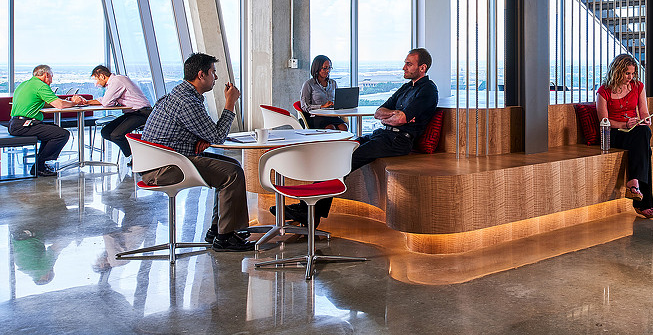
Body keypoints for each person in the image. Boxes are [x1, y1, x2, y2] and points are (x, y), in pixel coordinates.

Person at [281, 48, 438, 228]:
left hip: (399, 141)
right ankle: (309, 209)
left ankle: (309, 210)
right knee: (341, 152)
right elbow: (379, 112)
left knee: (348, 158)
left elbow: (401, 119)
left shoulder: (428, 91)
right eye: (405, 63)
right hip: (384, 134)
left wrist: (398, 116)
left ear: (422, 68)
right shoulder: (406, 87)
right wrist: (394, 115)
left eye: (409, 64)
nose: (404, 67)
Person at [140, 52, 254, 252]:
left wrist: (202, 138)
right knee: (232, 173)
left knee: (233, 165)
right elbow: (218, 136)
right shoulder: (187, 102)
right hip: (165, 168)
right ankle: (225, 237)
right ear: (201, 75)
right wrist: (230, 103)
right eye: (213, 72)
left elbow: (206, 133)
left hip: (162, 161)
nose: (215, 78)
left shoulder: (178, 95)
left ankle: (218, 229)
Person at [596, 53, 653, 219]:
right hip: (615, 132)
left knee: (644, 132)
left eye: (633, 73)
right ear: (617, 72)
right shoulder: (603, 92)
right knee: (645, 151)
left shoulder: (638, 86)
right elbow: (604, 121)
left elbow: (643, 111)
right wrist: (624, 124)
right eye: (627, 73)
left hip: (635, 130)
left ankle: (634, 184)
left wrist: (645, 120)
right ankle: (643, 204)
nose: (631, 77)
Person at [8, 65, 86, 177]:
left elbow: (47, 103)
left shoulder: (24, 84)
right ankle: (39, 166)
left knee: (52, 130)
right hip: (24, 125)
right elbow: (59, 105)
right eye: (52, 76)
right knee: (62, 134)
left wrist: (66, 101)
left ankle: (41, 165)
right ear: (46, 75)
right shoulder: (41, 85)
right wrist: (75, 103)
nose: (52, 80)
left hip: (15, 123)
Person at [83, 65, 151, 162]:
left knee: (116, 135)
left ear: (102, 76)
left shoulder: (117, 81)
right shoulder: (113, 83)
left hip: (142, 113)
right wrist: (87, 102)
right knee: (106, 132)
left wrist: (110, 101)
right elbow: (106, 100)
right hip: (132, 113)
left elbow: (106, 102)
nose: (96, 84)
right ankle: (136, 154)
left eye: (96, 79)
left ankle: (137, 157)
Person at [299, 55, 347, 130]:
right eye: (325, 68)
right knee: (331, 128)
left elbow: (337, 100)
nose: (328, 71)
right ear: (317, 68)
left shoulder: (333, 83)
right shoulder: (308, 84)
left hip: (331, 115)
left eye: (329, 68)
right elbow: (304, 106)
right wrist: (321, 106)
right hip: (317, 116)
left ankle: (341, 142)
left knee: (344, 127)